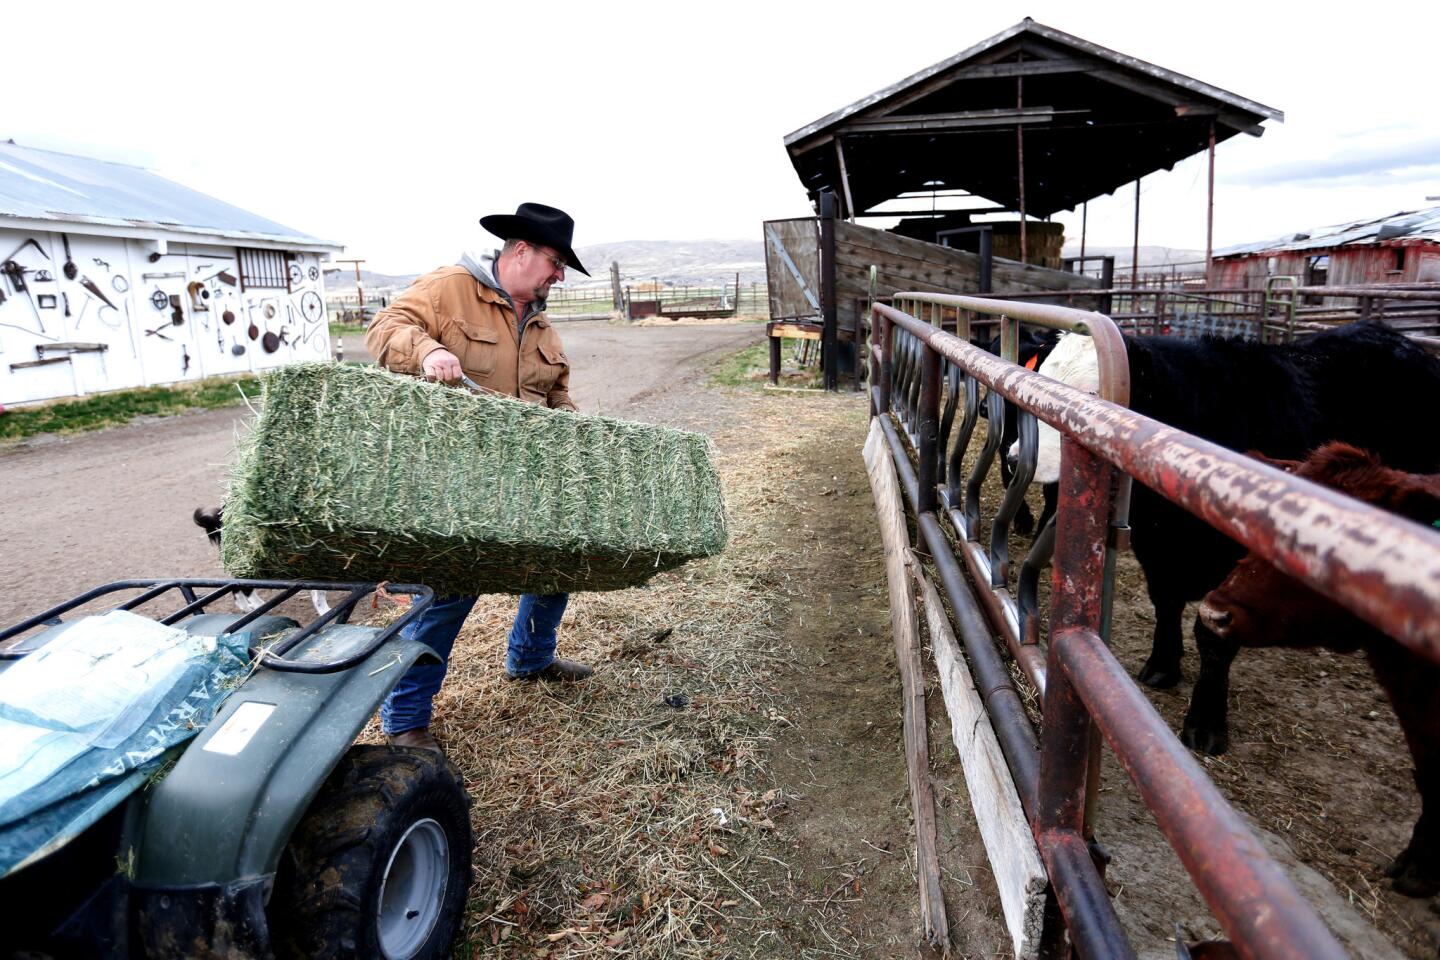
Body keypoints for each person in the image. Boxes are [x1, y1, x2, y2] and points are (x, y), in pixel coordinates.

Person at [365, 202, 595, 754]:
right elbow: (383, 330)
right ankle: (406, 721)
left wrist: (576, 433)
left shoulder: (541, 324)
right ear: (521, 251)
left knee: (556, 560)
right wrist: (429, 350)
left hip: (525, 477)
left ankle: (532, 660)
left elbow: (556, 395)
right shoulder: (449, 289)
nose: (559, 276)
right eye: (557, 263)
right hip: (457, 478)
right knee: (449, 592)